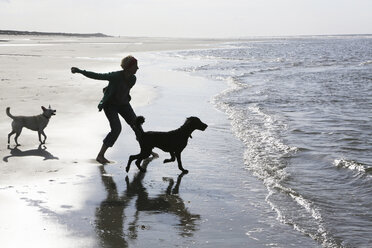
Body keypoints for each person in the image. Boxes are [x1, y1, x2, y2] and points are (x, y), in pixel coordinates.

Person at [71, 55, 140, 164]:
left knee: (137, 125)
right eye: (135, 66)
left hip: (124, 104)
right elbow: (97, 76)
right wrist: (80, 71)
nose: (138, 68)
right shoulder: (116, 76)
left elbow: (124, 91)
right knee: (116, 129)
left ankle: (147, 150)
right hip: (110, 105)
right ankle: (100, 155)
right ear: (128, 67)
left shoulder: (133, 79)